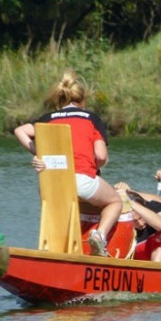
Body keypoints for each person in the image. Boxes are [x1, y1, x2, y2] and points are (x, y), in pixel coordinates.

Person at [14, 69, 121, 256]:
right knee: (115, 202)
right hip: (81, 180)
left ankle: (53, 252)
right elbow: (101, 156)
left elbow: (20, 131)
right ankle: (99, 236)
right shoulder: (92, 118)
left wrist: (38, 151)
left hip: (51, 184)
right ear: (82, 100)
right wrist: (94, 166)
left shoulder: (47, 119)